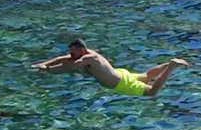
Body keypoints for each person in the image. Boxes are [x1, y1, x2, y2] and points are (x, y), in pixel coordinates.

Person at [32, 40, 187, 97]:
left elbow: (69, 66)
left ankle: (171, 66)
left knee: (151, 92)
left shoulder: (88, 58)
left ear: (82, 50)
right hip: (119, 74)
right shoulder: (86, 53)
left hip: (120, 82)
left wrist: (49, 70)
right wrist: (45, 64)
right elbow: (63, 58)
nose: (71, 54)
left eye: (73, 51)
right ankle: (168, 64)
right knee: (147, 76)